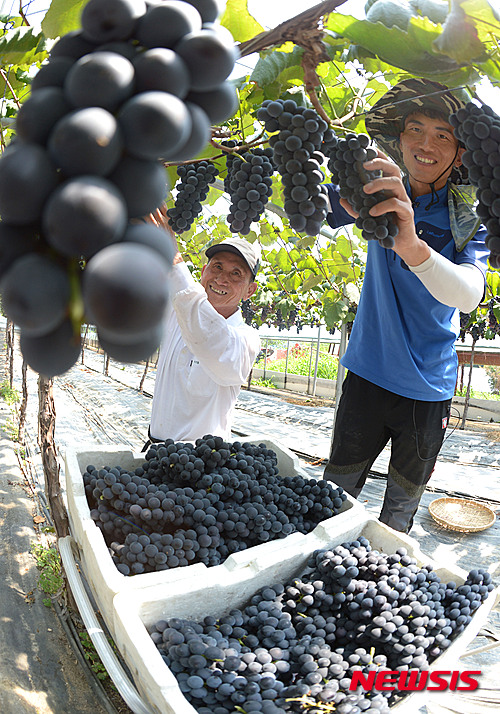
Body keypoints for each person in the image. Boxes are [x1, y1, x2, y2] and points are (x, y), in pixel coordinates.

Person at [323, 78, 489, 533]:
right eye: (414, 129)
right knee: (330, 501)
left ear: (459, 152)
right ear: (398, 139)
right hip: (366, 375)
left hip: (427, 390)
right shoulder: (377, 192)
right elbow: (309, 209)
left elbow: (469, 294)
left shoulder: (467, 217)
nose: (425, 143)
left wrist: (411, 244)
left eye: (442, 135)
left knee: (398, 514)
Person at [147, 209, 261, 444]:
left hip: (202, 466)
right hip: (156, 452)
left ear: (250, 291)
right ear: (203, 272)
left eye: (236, 273)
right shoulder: (176, 311)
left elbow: (208, 338)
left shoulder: (246, 340)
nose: (221, 279)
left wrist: (174, 261)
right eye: (217, 267)